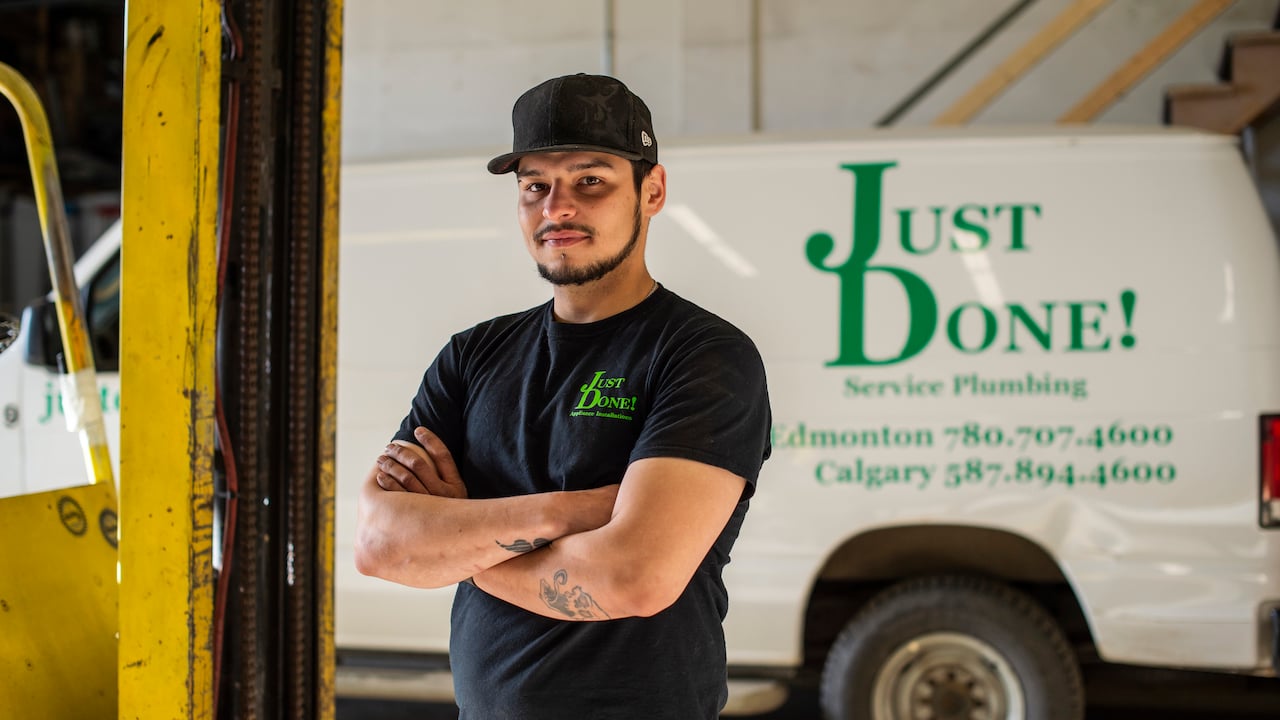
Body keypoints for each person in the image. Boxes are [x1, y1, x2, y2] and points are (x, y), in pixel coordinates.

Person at [354, 73, 771, 720]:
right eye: (534, 187)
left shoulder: (704, 355)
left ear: (651, 191)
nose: (557, 208)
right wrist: (572, 513)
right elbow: (381, 546)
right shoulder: (472, 357)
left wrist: (463, 541)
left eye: (590, 181)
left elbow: (635, 577)